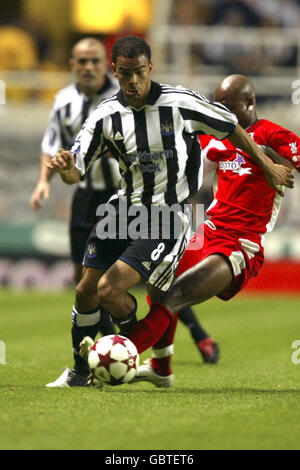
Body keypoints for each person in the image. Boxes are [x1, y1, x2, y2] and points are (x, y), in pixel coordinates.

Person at [46, 36, 293, 388]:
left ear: (151, 69)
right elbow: (75, 173)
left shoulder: (181, 103)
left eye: (140, 73)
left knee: (113, 289)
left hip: (170, 214)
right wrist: (65, 167)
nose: (133, 81)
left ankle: (131, 349)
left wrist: (268, 166)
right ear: (114, 71)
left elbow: (231, 127)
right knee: (87, 290)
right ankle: (81, 372)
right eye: (126, 73)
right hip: (124, 207)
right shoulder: (105, 115)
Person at [129, 74, 300, 387]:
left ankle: (121, 352)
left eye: (225, 105)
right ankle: (160, 369)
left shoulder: (274, 135)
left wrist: (274, 162)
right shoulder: (216, 137)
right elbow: (186, 177)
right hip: (208, 231)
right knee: (159, 281)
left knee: (176, 295)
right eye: (215, 105)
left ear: (248, 103)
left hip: (240, 243)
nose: (218, 111)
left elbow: (293, 163)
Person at [30, 38, 121, 386]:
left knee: (104, 281)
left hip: (120, 195)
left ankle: (99, 360)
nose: (87, 66)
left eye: (94, 60)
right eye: (81, 61)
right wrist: (43, 182)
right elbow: (51, 143)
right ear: (72, 64)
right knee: (81, 278)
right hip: (83, 195)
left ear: (106, 64)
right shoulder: (63, 100)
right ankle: (110, 353)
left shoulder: (123, 98)